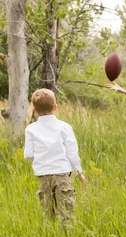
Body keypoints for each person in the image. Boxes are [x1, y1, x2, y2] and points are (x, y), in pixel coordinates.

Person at [24, 88, 87, 227]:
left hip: (43, 176)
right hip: (62, 175)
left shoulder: (31, 129)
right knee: (66, 212)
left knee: (48, 213)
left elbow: (28, 154)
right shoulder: (64, 127)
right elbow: (72, 152)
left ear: (34, 111)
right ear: (55, 107)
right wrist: (79, 172)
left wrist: (41, 159)